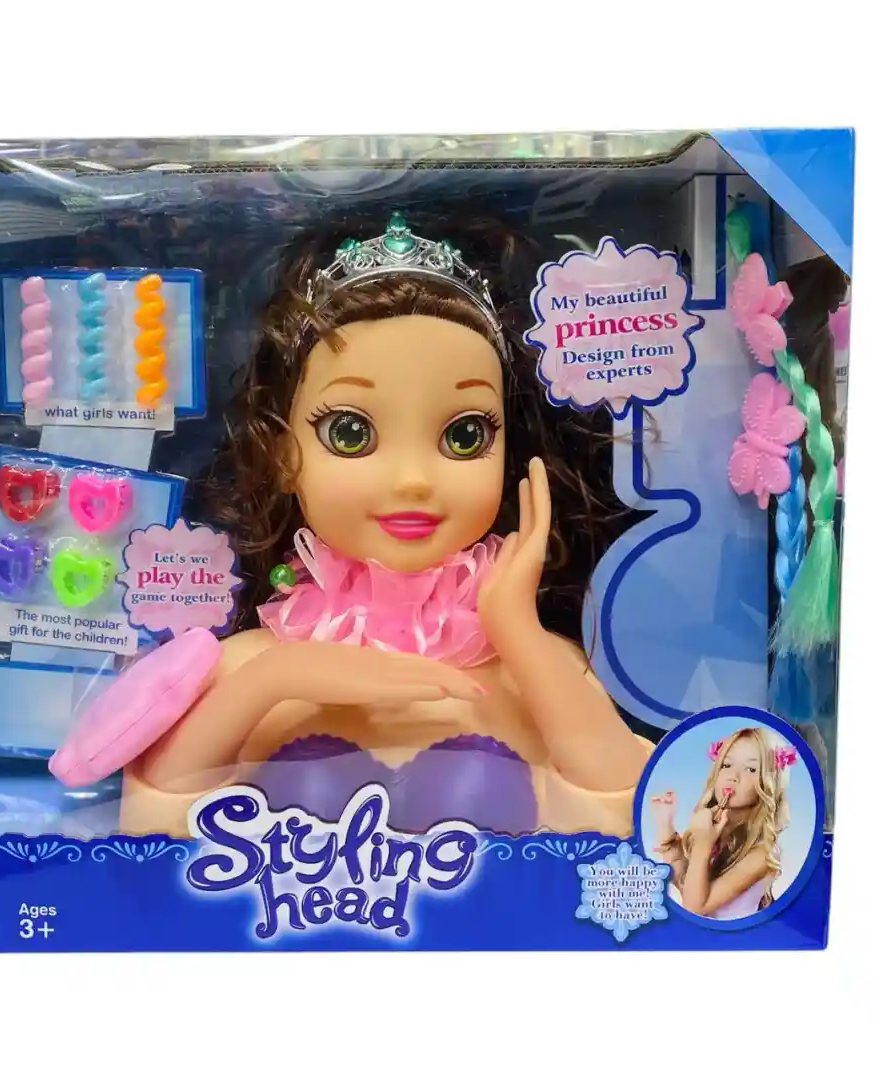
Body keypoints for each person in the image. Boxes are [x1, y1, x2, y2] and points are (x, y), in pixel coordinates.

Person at [52, 212, 651, 838]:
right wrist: (273, 681)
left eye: (465, 435)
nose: (413, 479)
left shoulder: (532, 669)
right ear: (282, 456)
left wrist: (518, 632)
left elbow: (629, 821)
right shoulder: (252, 663)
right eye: (350, 432)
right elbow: (154, 834)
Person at [650, 727, 794, 918]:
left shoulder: (762, 853)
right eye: (726, 765)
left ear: (769, 783)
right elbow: (686, 884)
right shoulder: (714, 830)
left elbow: (694, 909)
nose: (732, 776)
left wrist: (703, 845)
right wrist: (664, 822)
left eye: (751, 769)